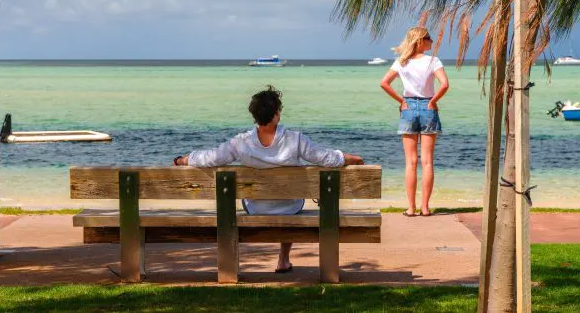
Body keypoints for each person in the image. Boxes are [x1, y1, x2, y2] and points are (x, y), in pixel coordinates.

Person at [172, 85, 364, 273]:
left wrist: (183, 160)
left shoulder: (241, 142)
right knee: (291, 201)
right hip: (291, 207)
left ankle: (235, 265)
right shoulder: (295, 139)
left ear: (254, 116)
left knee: (270, 199)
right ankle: (283, 259)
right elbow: (326, 157)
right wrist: (352, 158)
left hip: (255, 208)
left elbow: (211, 157)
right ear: (277, 115)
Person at [380, 27, 449, 217]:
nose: (431, 41)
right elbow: (444, 84)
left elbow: (384, 83)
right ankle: (425, 208)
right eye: (429, 38)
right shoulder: (433, 61)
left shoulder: (401, 62)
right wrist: (433, 101)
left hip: (408, 109)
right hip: (428, 107)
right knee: (427, 161)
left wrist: (402, 101)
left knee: (410, 162)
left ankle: (411, 208)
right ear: (420, 41)